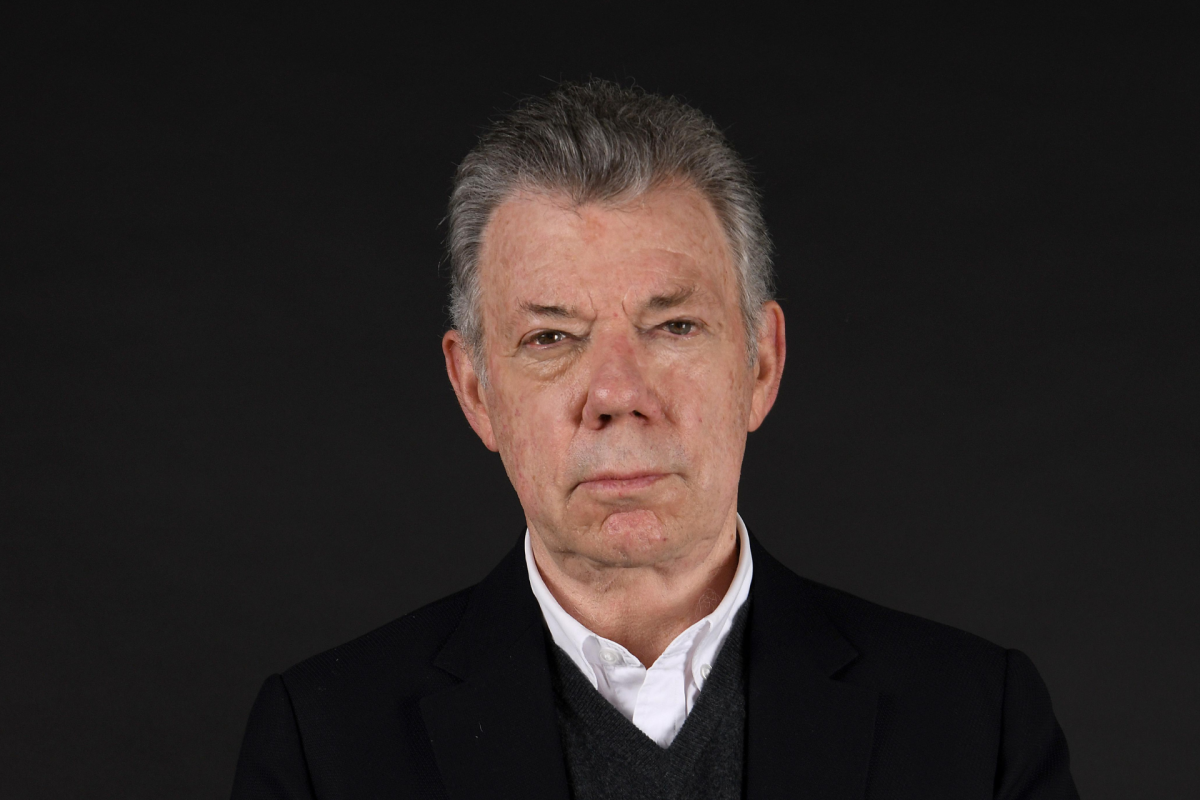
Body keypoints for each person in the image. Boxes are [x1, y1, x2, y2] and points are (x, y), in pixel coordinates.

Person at [231, 79, 1079, 799]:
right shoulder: (323, 749)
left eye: (673, 326)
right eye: (551, 337)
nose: (618, 396)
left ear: (761, 364)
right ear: (476, 389)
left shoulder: (977, 727)